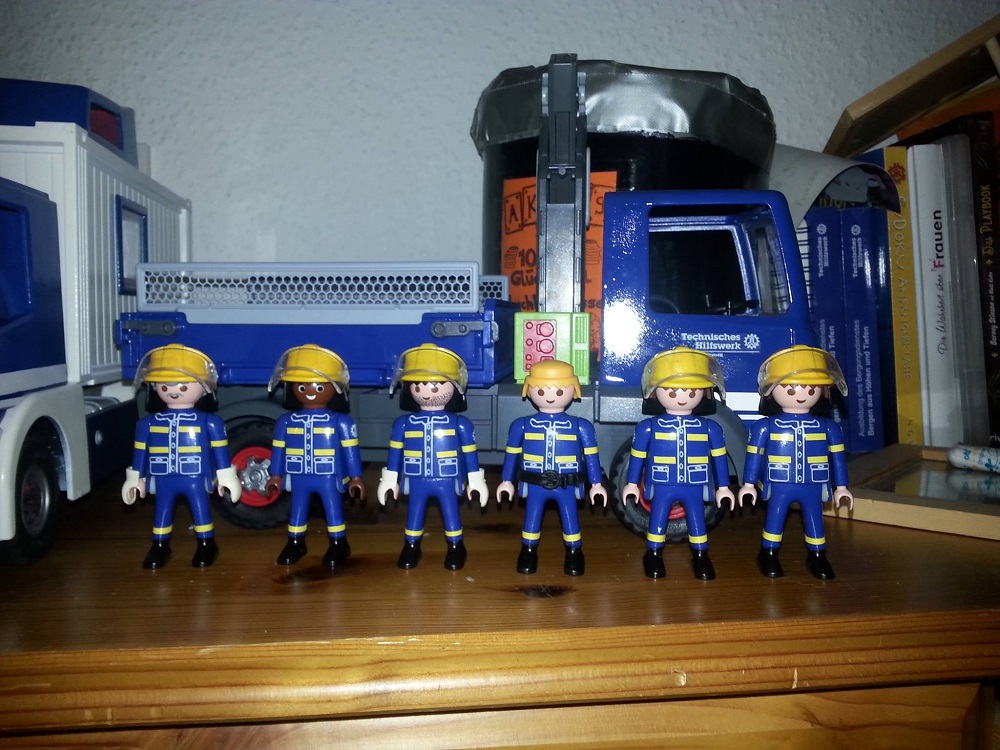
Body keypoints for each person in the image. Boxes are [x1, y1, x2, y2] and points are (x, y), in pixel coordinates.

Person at [739, 345, 853, 580]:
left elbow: (838, 459)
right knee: (775, 518)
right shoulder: (765, 427)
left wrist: (841, 487)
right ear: (772, 390)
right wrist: (748, 484)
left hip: (813, 482)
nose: (802, 394)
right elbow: (754, 456)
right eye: (791, 388)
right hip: (779, 482)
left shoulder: (828, 428)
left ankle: (817, 555)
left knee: (814, 519)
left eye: (810, 388)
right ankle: (769, 553)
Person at [121, 344, 241, 569]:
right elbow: (141, 452)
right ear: (155, 387)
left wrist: (226, 477)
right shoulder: (148, 423)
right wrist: (136, 478)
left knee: (200, 509)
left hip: (195, 476)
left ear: (203, 388)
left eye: (183, 386)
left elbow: (220, 451)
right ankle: (160, 545)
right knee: (162, 511)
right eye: (165, 386)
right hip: (162, 476)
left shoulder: (210, 422)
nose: (173, 391)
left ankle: (206, 544)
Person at [623, 347, 734, 580]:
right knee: (658, 519)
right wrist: (632, 484)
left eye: (691, 391)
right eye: (672, 391)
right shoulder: (648, 428)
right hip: (662, 483)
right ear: (656, 392)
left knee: (697, 521)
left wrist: (723, 487)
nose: (682, 396)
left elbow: (719, 458)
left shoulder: (710, 428)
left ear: (704, 392)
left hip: (695, 483)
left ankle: (700, 555)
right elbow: (638, 456)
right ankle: (653, 554)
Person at [377, 344, 487, 570]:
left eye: (435, 385)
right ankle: (411, 546)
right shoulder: (403, 424)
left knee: (451, 512)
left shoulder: (460, 424)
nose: (426, 391)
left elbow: (469, 453)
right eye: (418, 385)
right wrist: (389, 479)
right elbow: (395, 453)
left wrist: (476, 480)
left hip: (447, 477)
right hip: (415, 477)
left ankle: (456, 546)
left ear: (454, 386)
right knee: (414, 513)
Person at [497, 360, 604, 576]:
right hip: (534, 482)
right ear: (529, 390)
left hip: (567, 483)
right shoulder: (521, 425)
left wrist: (596, 484)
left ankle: (574, 552)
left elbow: (591, 456)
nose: (550, 396)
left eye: (559, 390)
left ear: (573, 390)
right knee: (532, 518)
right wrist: (506, 481)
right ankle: (528, 551)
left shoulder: (580, 426)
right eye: (541, 390)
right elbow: (511, 455)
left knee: (570, 518)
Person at [265, 345, 364, 567]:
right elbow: (279, 450)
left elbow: (351, 451)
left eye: (319, 386)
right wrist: (276, 475)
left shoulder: (341, 422)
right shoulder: (286, 422)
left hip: (328, 475)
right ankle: (295, 542)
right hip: (298, 474)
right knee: (297, 510)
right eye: (301, 386)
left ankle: (338, 543)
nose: (310, 390)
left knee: (333, 509)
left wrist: (356, 477)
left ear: (335, 388)